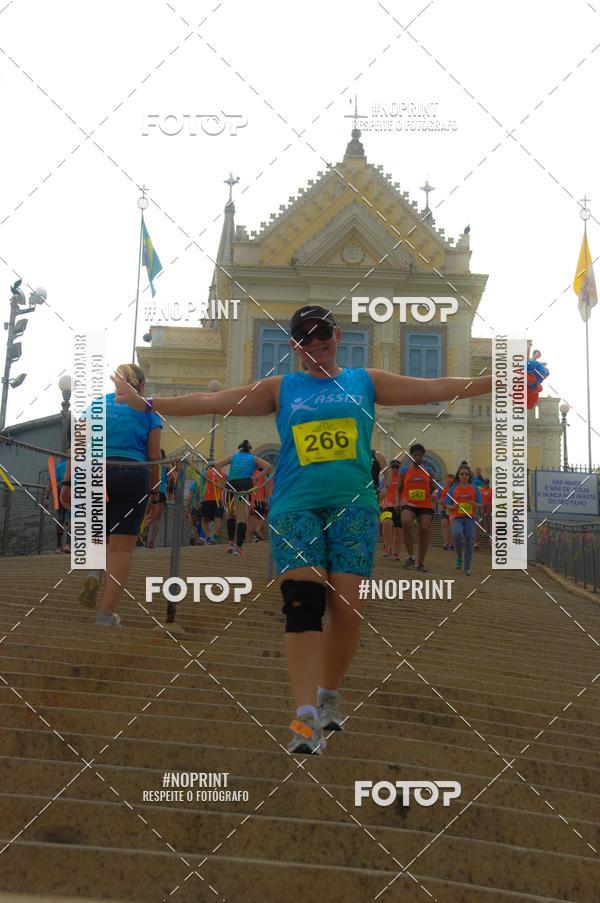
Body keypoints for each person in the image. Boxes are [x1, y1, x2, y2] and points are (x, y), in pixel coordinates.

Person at [112, 304, 492, 753]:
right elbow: (215, 400)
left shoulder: (365, 381)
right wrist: (151, 404)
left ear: (337, 334)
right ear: (294, 347)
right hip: (295, 506)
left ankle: (329, 695)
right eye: (304, 338)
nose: (315, 344)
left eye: (322, 333)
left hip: (354, 508)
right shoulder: (281, 388)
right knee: (303, 601)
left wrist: (498, 380)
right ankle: (305, 715)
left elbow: (438, 386)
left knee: (348, 611)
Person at [60, 363, 162, 625]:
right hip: (133, 473)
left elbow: (78, 447)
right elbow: (153, 456)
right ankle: (105, 614)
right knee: (121, 549)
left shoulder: (96, 405)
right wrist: (155, 494)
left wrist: (68, 482)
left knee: (98, 533)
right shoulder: (148, 408)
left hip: (96, 471)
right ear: (141, 386)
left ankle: (94, 570)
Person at [213, 441, 271, 556]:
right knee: (241, 517)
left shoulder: (233, 456)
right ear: (249, 450)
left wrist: (223, 478)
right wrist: (258, 477)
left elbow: (216, 465)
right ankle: (238, 547)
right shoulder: (252, 458)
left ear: (240, 449)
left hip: (231, 484)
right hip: (244, 485)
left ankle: (230, 543)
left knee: (230, 514)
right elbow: (268, 467)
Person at [396, 444, 435, 573]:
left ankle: (420, 563)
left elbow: (433, 486)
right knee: (406, 522)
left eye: (420, 455)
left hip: (425, 504)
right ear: (411, 456)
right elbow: (399, 488)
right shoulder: (405, 470)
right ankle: (411, 556)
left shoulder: (428, 470)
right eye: (415, 455)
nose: (418, 457)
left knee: (424, 529)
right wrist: (398, 502)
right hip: (408, 502)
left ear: (423, 456)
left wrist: (428, 494)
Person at [447, 464, 482, 576]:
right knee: (456, 534)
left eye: (466, 474)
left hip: (470, 519)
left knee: (469, 541)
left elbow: (481, 504)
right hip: (457, 518)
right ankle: (458, 557)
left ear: (469, 476)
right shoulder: (453, 489)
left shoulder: (474, 488)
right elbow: (446, 504)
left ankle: (467, 568)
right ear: (458, 475)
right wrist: (452, 507)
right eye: (462, 474)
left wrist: (474, 504)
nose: (464, 476)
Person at [45, 449, 71, 554]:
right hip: (72, 492)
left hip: (62, 491)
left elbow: (51, 482)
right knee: (70, 518)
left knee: (61, 519)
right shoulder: (79, 465)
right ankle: (66, 545)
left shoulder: (59, 467)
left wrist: (46, 496)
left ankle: (59, 547)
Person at [200, 459, 226, 545]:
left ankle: (207, 538)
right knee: (218, 518)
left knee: (204, 519)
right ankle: (215, 537)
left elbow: (201, 487)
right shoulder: (224, 474)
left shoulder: (205, 473)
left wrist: (200, 500)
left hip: (207, 499)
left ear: (209, 466)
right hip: (219, 499)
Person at [381, 459, 402, 560]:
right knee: (386, 523)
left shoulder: (402, 478)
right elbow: (380, 491)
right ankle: (387, 547)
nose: (395, 469)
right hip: (387, 506)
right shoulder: (385, 479)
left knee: (398, 530)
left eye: (397, 467)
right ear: (390, 468)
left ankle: (396, 552)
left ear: (399, 468)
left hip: (399, 506)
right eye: (393, 467)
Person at [147, 449, 168, 548]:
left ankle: (140, 534)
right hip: (162, 492)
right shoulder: (166, 466)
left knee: (148, 515)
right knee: (157, 518)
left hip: (151, 491)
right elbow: (173, 477)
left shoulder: (151, 464)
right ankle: (152, 541)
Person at [439, 473, 455, 551]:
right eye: (448, 480)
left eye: (451, 480)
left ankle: (452, 544)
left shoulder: (455, 489)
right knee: (444, 524)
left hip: (452, 510)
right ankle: (446, 543)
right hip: (444, 509)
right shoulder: (444, 489)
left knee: (453, 527)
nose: (449, 482)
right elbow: (442, 499)